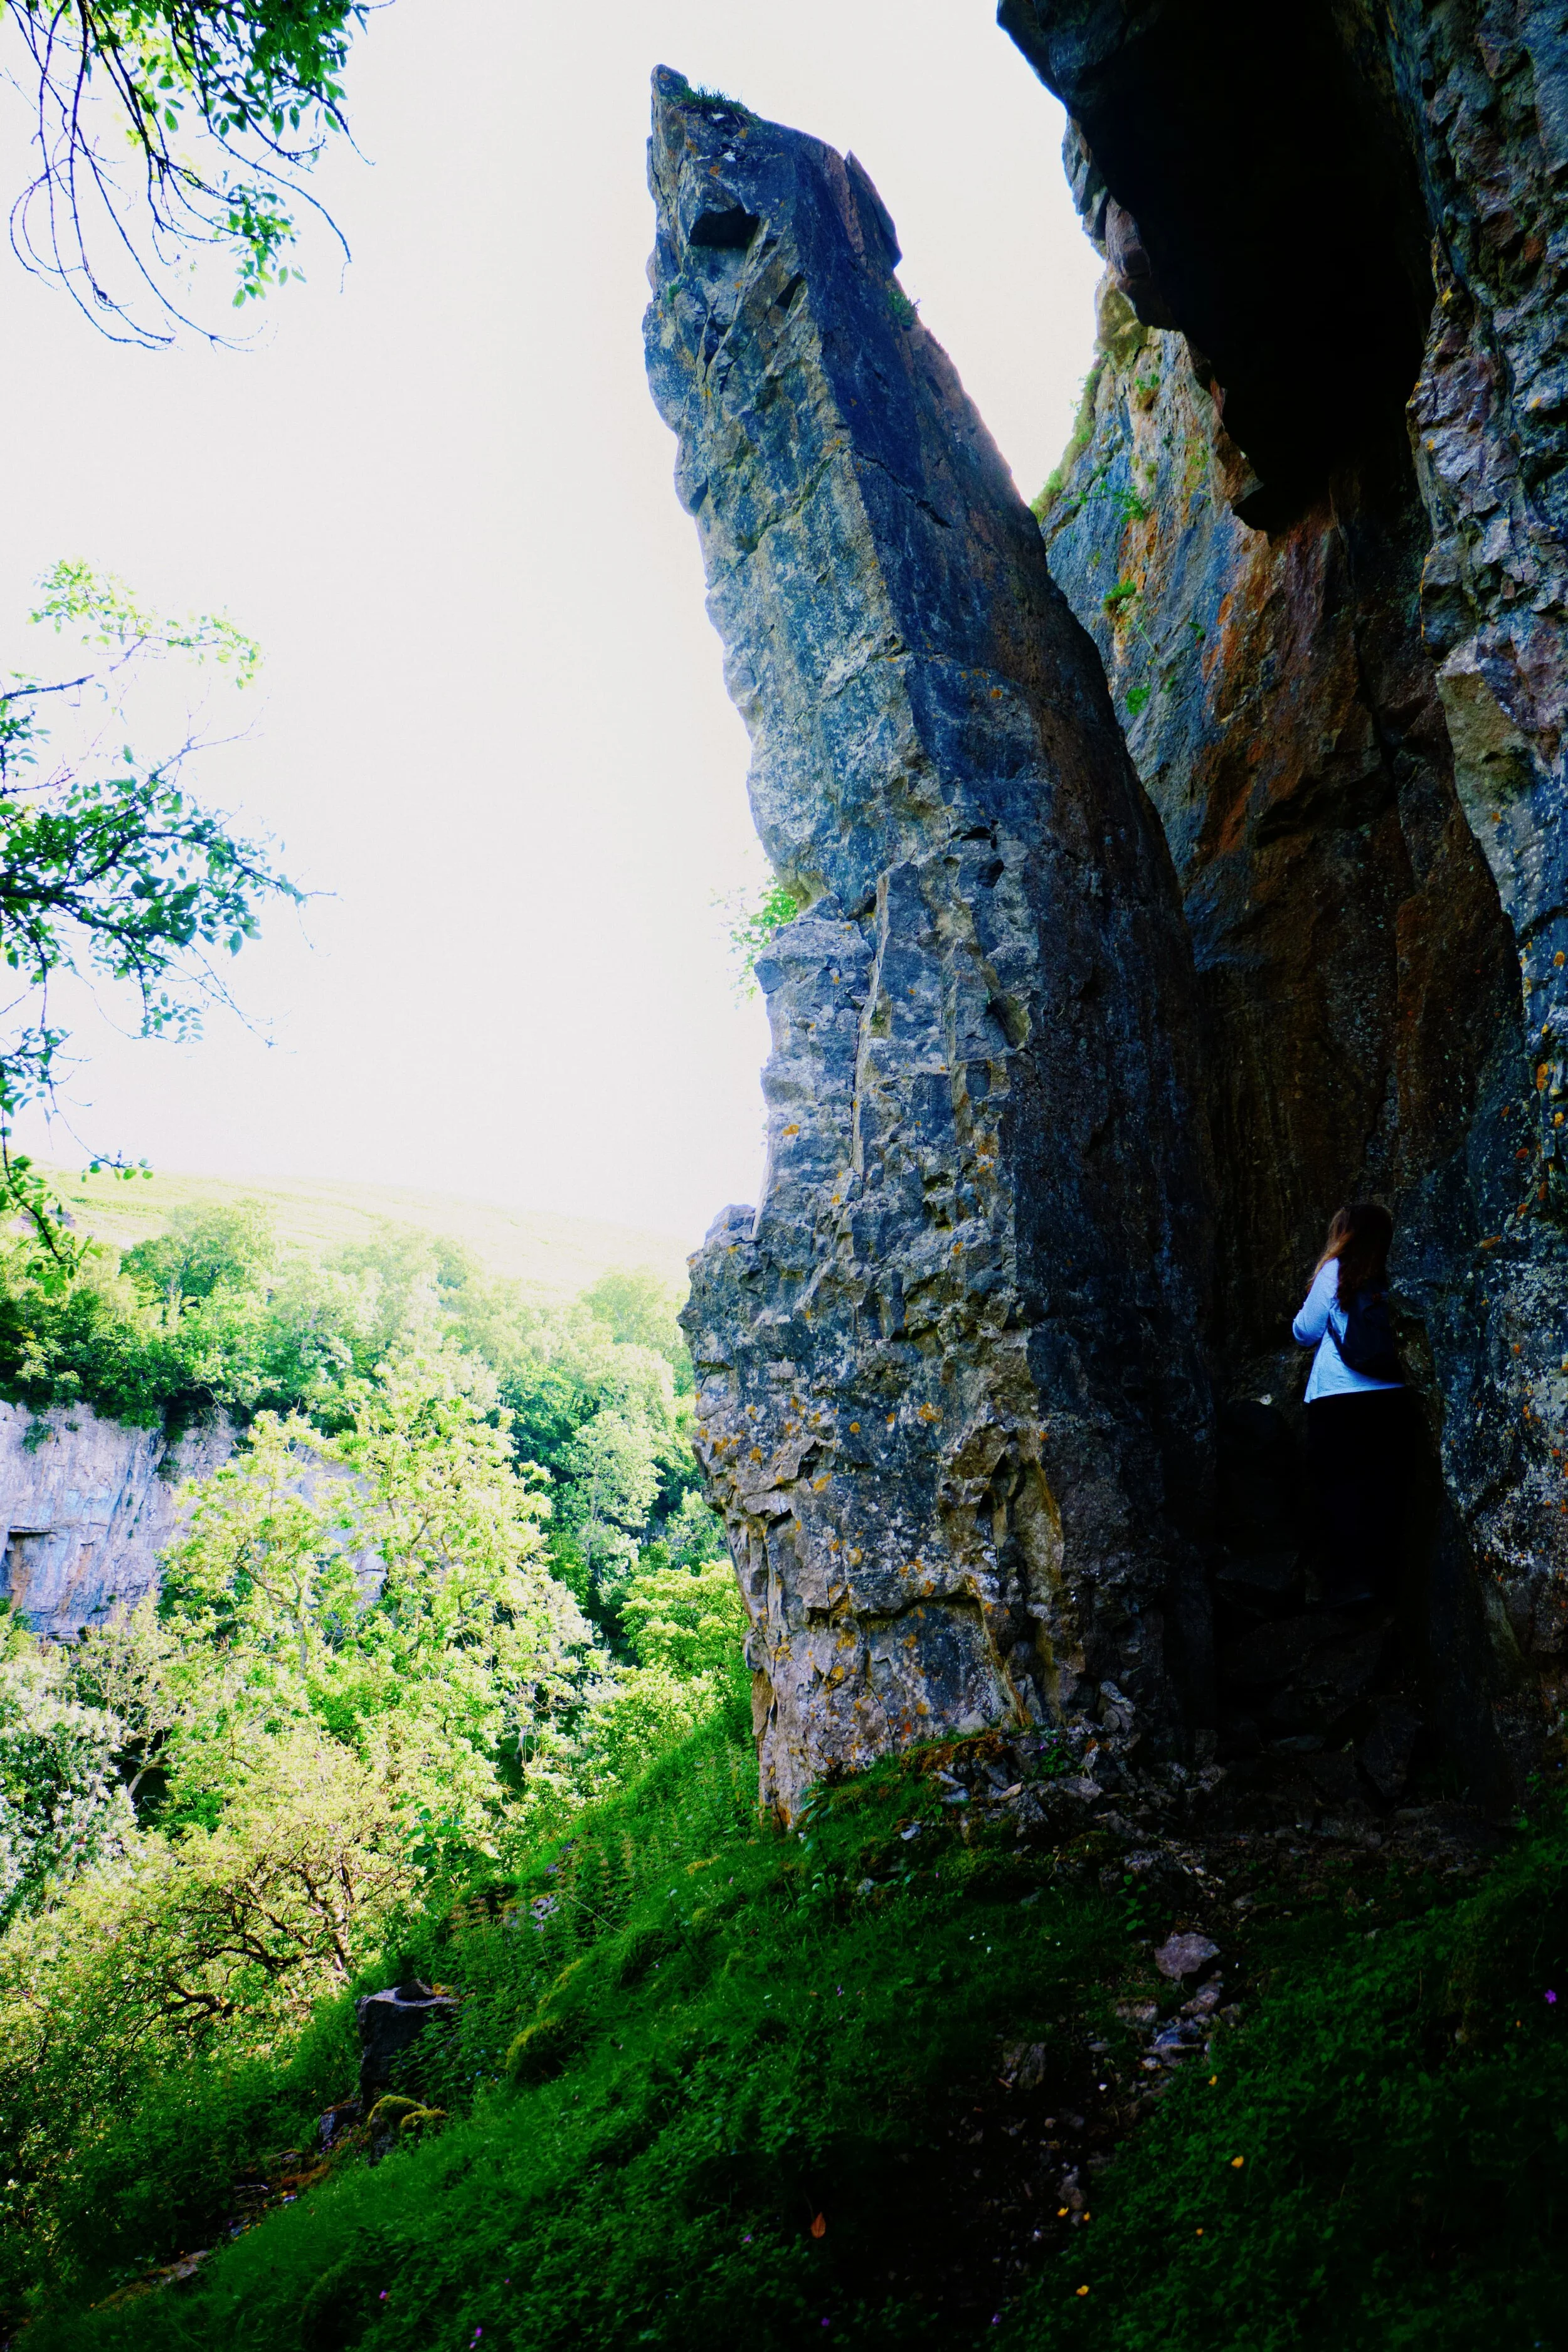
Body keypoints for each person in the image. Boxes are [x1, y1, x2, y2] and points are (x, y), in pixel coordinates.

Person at [1292, 1201, 1407, 1608]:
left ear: (1345, 1234)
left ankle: (1351, 1587)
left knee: (1341, 1490)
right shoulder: (1399, 1272)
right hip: (1392, 1396)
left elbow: (1305, 1331)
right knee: (1385, 1490)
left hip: (1337, 1399)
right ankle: (1388, 1585)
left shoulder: (1336, 1271)